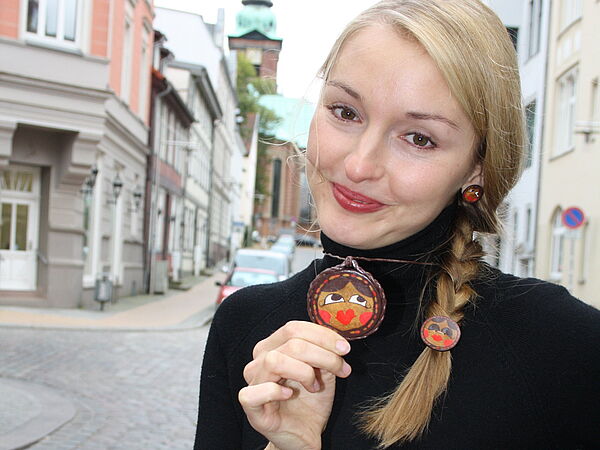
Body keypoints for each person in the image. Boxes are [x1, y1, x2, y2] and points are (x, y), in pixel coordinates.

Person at [194, 0, 600, 448]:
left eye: (419, 138)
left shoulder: (564, 346)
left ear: (476, 170)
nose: (359, 165)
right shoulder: (246, 325)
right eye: (345, 112)